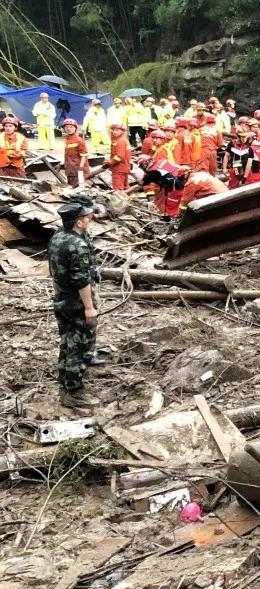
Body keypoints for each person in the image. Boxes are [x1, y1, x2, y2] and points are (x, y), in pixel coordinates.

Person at [49, 201, 107, 408]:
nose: (90, 219)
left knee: (69, 340)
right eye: (87, 217)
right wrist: (89, 308)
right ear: (79, 221)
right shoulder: (76, 245)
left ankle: (69, 374)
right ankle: (73, 391)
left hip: (62, 297)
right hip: (75, 301)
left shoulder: (59, 236)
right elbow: (81, 280)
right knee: (77, 344)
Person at [60, 119, 90, 187]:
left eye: (71, 127)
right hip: (70, 169)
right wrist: (62, 164)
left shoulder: (79, 140)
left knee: (77, 188)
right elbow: (67, 154)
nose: (69, 129)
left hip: (78, 170)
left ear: (75, 128)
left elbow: (84, 155)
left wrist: (81, 167)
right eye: (67, 127)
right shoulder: (67, 140)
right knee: (70, 187)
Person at [103, 123, 130, 190]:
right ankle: (126, 199)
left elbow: (120, 156)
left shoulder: (120, 141)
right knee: (125, 187)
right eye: (113, 130)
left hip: (118, 168)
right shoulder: (123, 140)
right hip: (124, 167)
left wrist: (110, 162)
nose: (115, 132)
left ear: (122, 131)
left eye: (117, 130)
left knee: (118, 188)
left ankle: (120, 200)